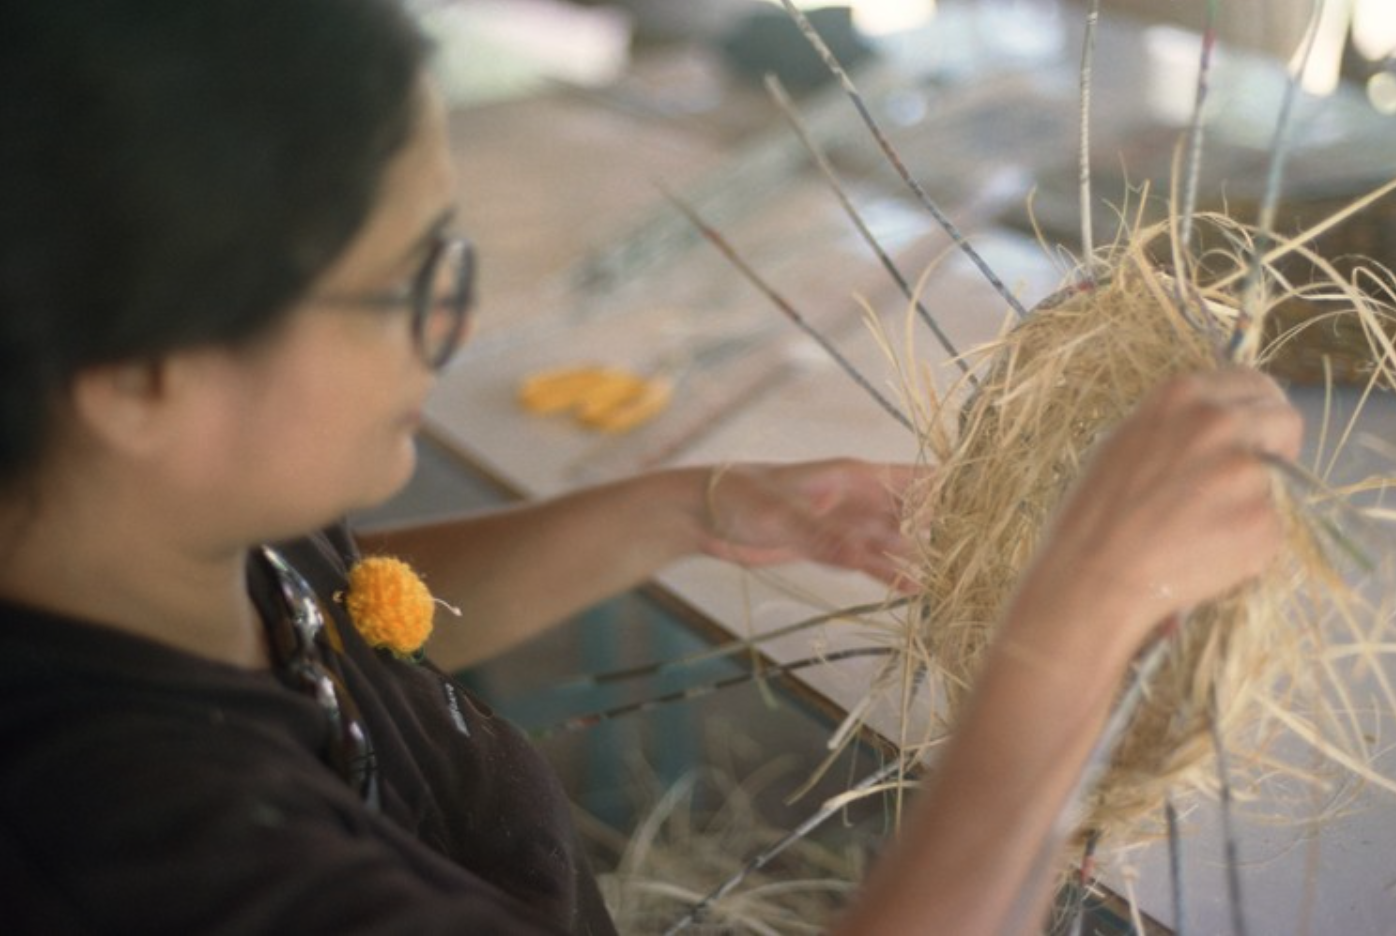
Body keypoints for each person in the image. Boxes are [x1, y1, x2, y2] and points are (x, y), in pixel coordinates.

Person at [0, 1, 1302, 933]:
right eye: (406, 283)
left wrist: (684, 508)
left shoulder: (166, 538)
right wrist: (1068, 635)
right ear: (142, 375)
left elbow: (355, 622)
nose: (447, 324)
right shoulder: (143, 860)